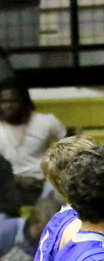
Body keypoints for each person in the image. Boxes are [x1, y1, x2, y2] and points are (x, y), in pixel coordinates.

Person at [0, 78, 66, 207]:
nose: (8, 106)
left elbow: (71, 149)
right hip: (7, 185)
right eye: (3, 101)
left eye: (13, 101)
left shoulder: (46, 121)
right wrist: (17, 180)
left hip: (42, 184)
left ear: (24, 101)